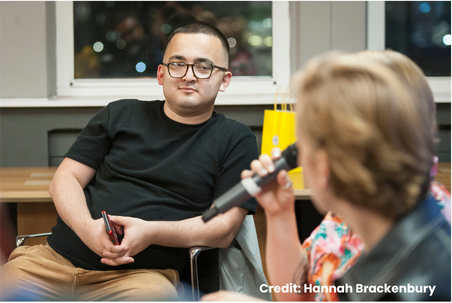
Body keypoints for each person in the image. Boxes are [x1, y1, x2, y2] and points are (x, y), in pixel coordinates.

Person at [1, 21, 259, 301]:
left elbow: (223, 229)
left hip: (143, 279)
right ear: (161, 73)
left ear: (225, 80)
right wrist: (88, 230)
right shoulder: (120, 114)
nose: (188, 75)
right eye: (177, 64)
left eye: (203, 66)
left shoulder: (236, 139)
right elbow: (65, 179)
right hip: (51, 263)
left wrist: (150, 233)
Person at [202, 51, 451, 301]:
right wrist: (280, 214)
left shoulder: (418, 280)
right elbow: (299, 295)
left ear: (323, 167)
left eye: (302, 144)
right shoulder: (351, 215)